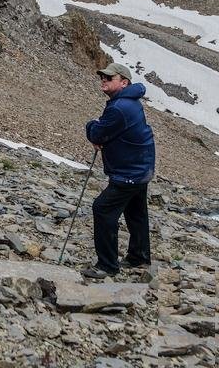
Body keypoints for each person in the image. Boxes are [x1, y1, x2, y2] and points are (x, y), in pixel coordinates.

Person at [82, 62, 155, 278]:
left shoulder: (119, 108)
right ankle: (139, 256)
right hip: (141, 167)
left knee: (102, 209)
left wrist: (90, 125)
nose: (103, 80)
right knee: (136, 211)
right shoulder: (128, 102)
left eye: (109, 78)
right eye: (103, 77)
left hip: (129, 171)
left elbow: (97, 134)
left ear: (124, 82)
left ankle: (107, 265)